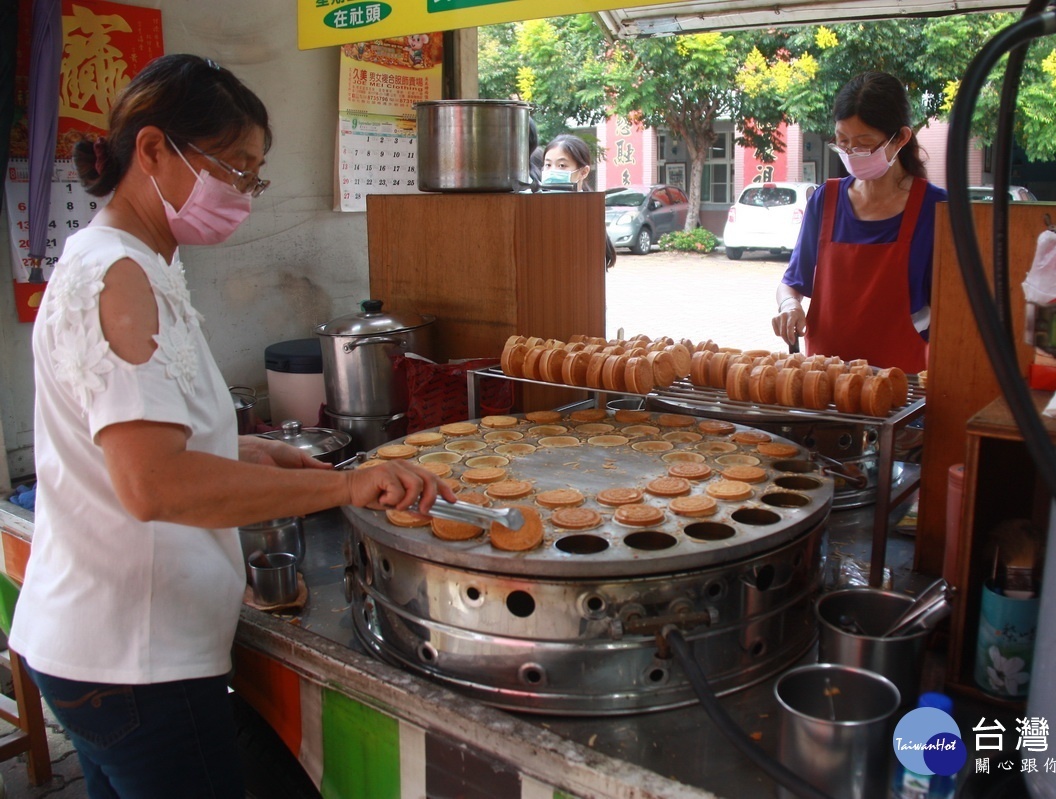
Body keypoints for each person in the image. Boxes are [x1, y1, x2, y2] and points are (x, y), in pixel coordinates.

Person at [7, 54, 451, 798]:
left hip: (102, 649)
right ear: (151, 149)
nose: (242, 192)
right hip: (137, 660)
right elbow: (154, 484)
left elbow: (132, 441)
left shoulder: (133, 264)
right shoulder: (118, 277)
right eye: (233, 168)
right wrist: (345, 487)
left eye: (253, 175)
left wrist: (247, 452)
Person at [772, 71, 948, 373]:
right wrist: (789, 306)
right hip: (823, 380)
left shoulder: (936, 209)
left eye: (865, 144)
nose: (853, 154)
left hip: (902, 386)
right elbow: (791, 283)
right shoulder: (825, 200)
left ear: (901, 138)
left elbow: (953, 311)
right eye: (843, 143)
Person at [541, 133, 617, 270]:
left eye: (562, 165)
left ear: (584, 172)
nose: (552, 171)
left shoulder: (590, 210)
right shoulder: (536, 208)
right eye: (547, 165)